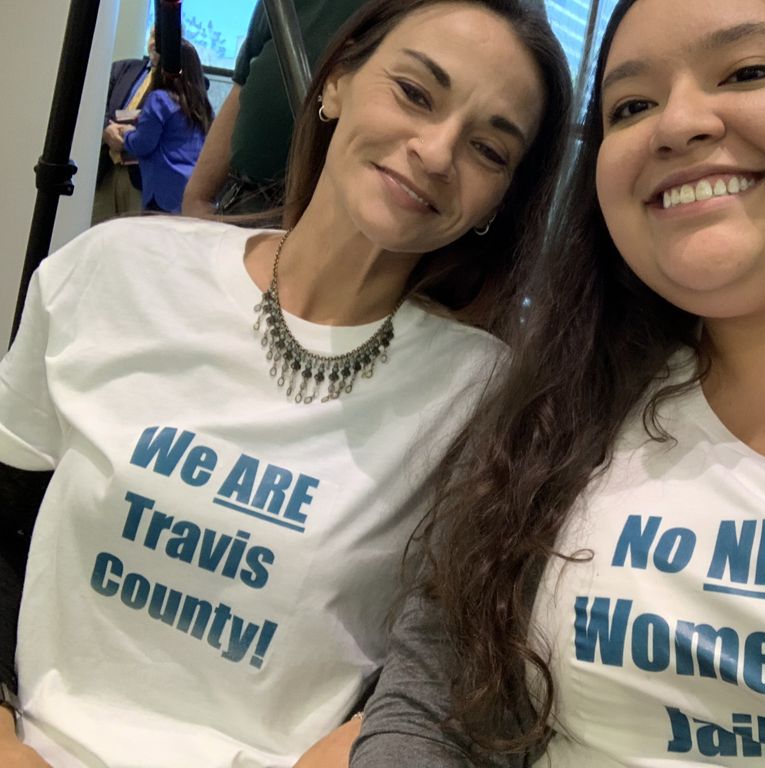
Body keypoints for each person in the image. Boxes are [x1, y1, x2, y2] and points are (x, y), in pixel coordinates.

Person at [350, 0, 765, 767]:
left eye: (749, 71)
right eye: (632, 106)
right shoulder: (557, 392)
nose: (678, 124)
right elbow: (431, 702)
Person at [0, 0, 570, 765]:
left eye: (490, 149)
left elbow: (433, 685)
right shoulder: (115, 271)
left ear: (499, 203)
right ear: (334, 81)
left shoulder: (485, 399)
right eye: (414, 93)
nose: (436, 152)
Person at [182, 0, 369, 218]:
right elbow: (243, 82)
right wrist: (197, 196)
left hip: (320, 213)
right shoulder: (279, 6)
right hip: (240, 197)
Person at [103, 40, 213, 214]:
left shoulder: (160, 99)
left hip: (160, 193)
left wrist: (127, 134)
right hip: (188, 192)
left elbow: (143, 144)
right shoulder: (201, 105)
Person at [92, 29, 156, 223]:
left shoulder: (183, 83)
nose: (155, 42)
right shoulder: (122, 69)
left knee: (132, 244)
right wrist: (105, 129)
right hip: (106, 170)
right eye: (153, 36)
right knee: (96, 238)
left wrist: (137, 136)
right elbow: (94, 104)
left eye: (162, 36)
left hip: (142, 178)